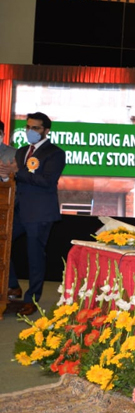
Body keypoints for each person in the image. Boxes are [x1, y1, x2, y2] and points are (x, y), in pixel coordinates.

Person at [0, 113, 66, 315]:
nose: (31, 131)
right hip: (18, 210)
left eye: (36, 128)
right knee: (3, 244)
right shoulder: (20, 152)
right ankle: (13, 285)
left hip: (40, 213)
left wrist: (18, 172)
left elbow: (47, 181)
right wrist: (5, 175)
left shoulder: (55, 153)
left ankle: (32, 299)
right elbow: (16, 180)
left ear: (46, 131)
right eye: (28, 127)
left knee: (35, 256)